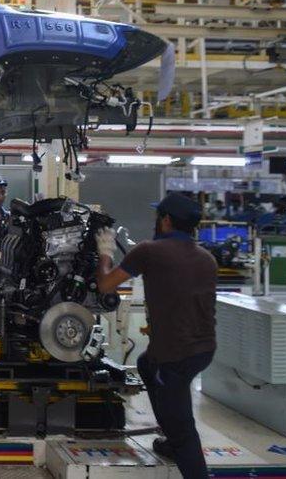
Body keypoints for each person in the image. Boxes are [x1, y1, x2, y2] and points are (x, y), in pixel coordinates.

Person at [94, 193, 217, 479]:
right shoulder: (206, 259)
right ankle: (173, 436)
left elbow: (105, 285)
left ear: (166, 220)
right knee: (146, 365)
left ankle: (180, 446)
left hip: (174, 355)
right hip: (203, 350)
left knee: (184, 430)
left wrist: (105, 252)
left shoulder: (150, 251)